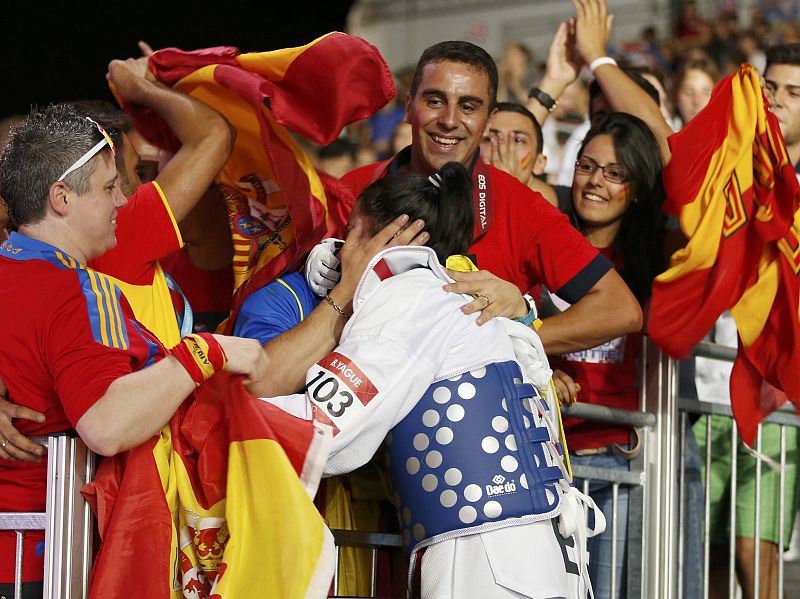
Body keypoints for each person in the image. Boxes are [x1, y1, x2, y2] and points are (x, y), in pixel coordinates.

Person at [273, 162, 599, 599]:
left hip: (488, 559)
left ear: (379, 233)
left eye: (350, 231)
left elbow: (330, 431)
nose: (341, 249)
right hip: (537, 556)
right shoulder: (462, 300)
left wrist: (223, 416)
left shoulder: (411, 301)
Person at [0, 103, 267, 596]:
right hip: (49, 561)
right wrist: (204, 351)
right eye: (109, 187)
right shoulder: (79, 288)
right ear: (61, 196)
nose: (123, 200)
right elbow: (107, 425)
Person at [335, 38, 642, 356]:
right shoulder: (352, 190)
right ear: (409, 105)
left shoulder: (520, 206)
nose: (450, 120)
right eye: (435, 101)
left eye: (468, 107)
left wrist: (517, 335)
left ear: (489, 121)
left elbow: (619, 309)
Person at [547, 113, 667, 598]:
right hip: (546, 463)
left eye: (615, 173)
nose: (595, 181)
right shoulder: (542, 242)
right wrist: (542, 370)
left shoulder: (654, 260)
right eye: (586, 166)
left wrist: (599, 62)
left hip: (615, 466)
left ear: (636, 188)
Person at [479, 101, 558, 206]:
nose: (503, 149)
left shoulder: (558, 211)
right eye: (490, 139)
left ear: (539, 163)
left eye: (518, 140)